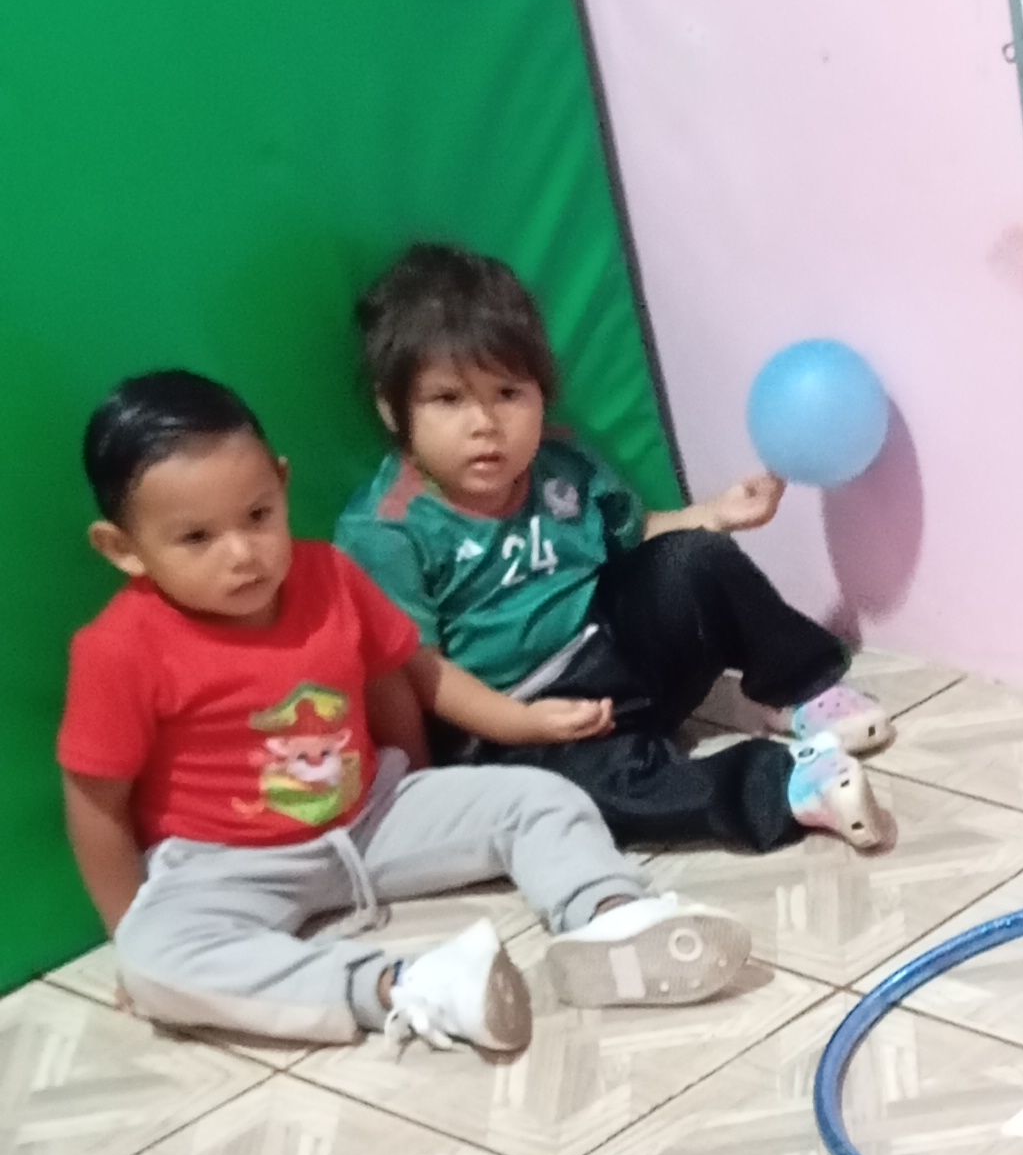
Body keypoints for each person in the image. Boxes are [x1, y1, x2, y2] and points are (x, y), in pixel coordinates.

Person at [61, 372, 753, 1053]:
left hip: (370, 816)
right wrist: (129, 930)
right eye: (196, 538)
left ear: (281, 482)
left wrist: (420, 785)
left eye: (258, 516)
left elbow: (391, 680)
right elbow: (95, 803)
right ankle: (406, 986)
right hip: (230, 866)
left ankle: (611, 917)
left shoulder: (330, 575)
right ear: (123, 548)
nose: (242, 554)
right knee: (155, 961)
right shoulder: (118, 649)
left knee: (542, 797)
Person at [336, 245, 894, 858]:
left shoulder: (562, 464)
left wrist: (715, 514)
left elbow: (636, 533)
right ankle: (786, 789)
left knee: (695, 556)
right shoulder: (386, 529)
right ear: (394, 409)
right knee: (580, 795)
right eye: (448, 399)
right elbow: (420, 671)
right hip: (520, 722)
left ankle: (799, 690)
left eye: (508, 393)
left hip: (623, 657)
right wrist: (521, 724)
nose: (485, 424)